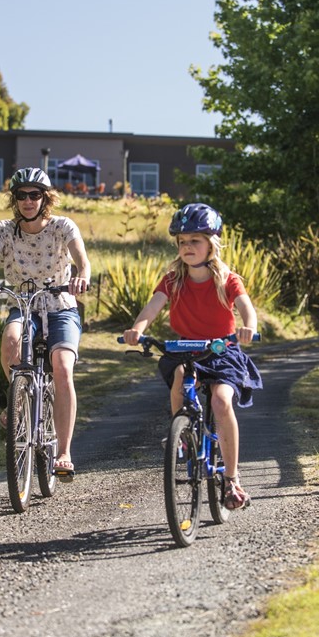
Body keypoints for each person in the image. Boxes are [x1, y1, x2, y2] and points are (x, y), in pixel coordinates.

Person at [123, 203, 262, 510]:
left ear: (211, 244)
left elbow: (246, 308)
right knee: (179, 378)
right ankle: (182, 434)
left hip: (222, 349)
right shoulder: (173, 279)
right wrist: (136, 329)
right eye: (182, 242)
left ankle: (232, 479)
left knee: (221, 401)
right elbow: (152, 308)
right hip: (187, 348)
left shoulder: (227, 279)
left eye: (194, 241)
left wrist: (248, 327)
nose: (187, 247)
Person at [0, 168, 91, 481]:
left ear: (45, 198)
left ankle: (63, 452)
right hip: (23, 304)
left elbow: (82, 261)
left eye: (34, 194)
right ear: (15, 199)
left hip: (60, 305)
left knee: (61, 366)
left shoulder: (63, 226)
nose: (28, 201)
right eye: (21, 195)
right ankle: (20, 398)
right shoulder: (5, 230)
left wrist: (81, 277)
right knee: (10, 342)